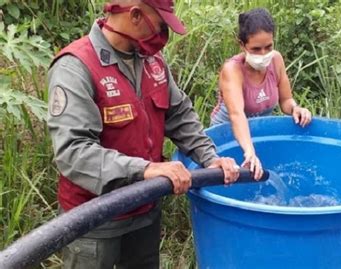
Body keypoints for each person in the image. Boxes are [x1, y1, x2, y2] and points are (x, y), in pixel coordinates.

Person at [47, 0, 240, 268]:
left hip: (145, 209)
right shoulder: (76, 67)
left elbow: (179, 114)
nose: (162, 36)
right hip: (94, 220)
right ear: (136, 15)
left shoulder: (153, 61)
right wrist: (146, 170)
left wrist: (210, 158)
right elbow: (74, 152)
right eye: (160, 25)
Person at [210, 8, 312, 180]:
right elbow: (237, 115)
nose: (263, 54)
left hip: (258, 130)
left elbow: (286, 99)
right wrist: (249, 151)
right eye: (256, 49)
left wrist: (296, 109)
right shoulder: (232, 70)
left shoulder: (276, 60)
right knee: (232, 179)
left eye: (268, 47)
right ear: (242, 45)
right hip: (227, 133)